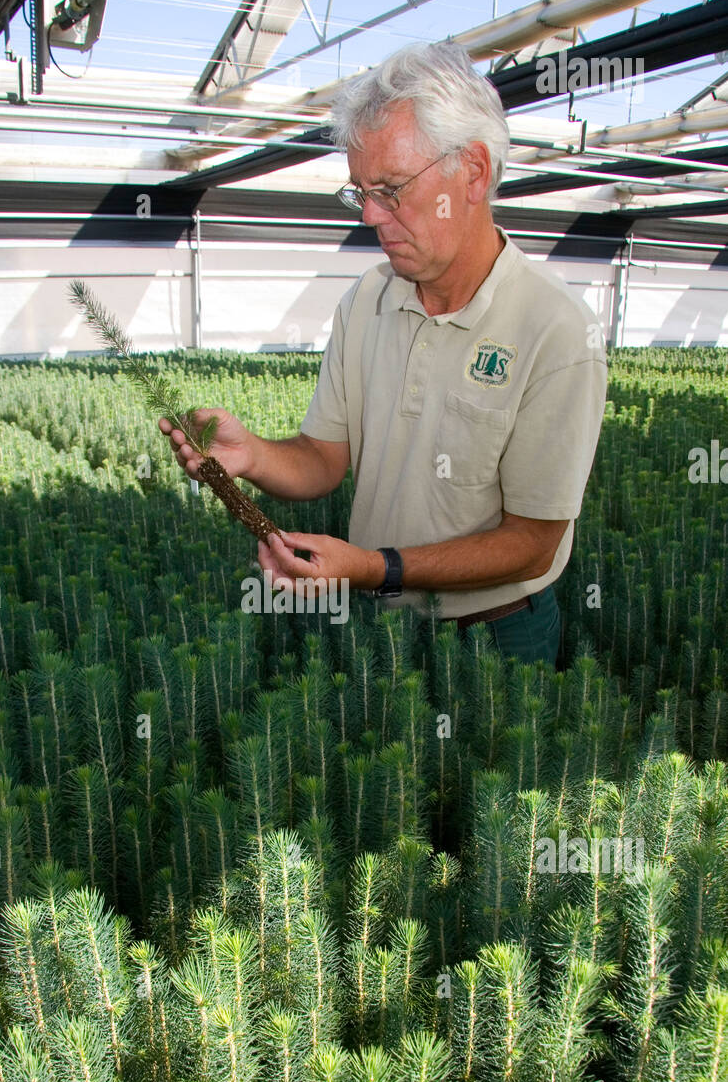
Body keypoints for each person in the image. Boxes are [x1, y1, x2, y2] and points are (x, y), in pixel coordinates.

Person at [160, 41, 607, 667]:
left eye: (391, 189)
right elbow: (323, 458)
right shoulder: (367, 299)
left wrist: (376, 568)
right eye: (360, 192)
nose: (370, 215)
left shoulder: (556, 330)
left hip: (497, 636)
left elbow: (532, 544)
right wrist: (253, 455)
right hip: (384, 620)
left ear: (473, 172)